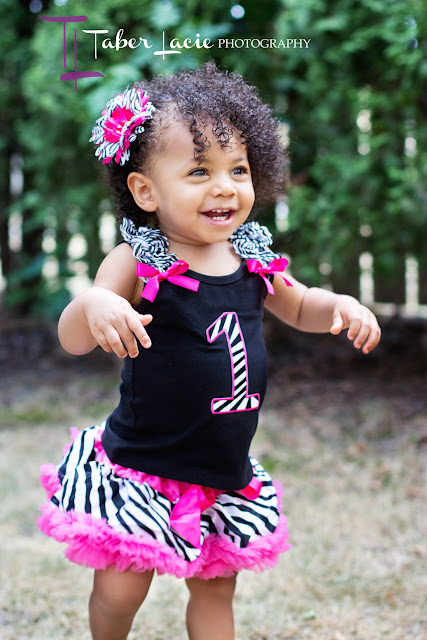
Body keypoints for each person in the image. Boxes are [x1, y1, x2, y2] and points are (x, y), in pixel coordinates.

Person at [38, 62, 381, 640]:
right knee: (121, 590)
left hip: (222, 471)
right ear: (145, 191)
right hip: (143, 467)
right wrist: (94, 303)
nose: (225, 186)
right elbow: (73, 338)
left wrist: (340, 306)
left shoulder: (252, 257)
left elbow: (300, 305)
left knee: (217, 590)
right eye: (199, 171)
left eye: (238, 169)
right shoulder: (138, 261)